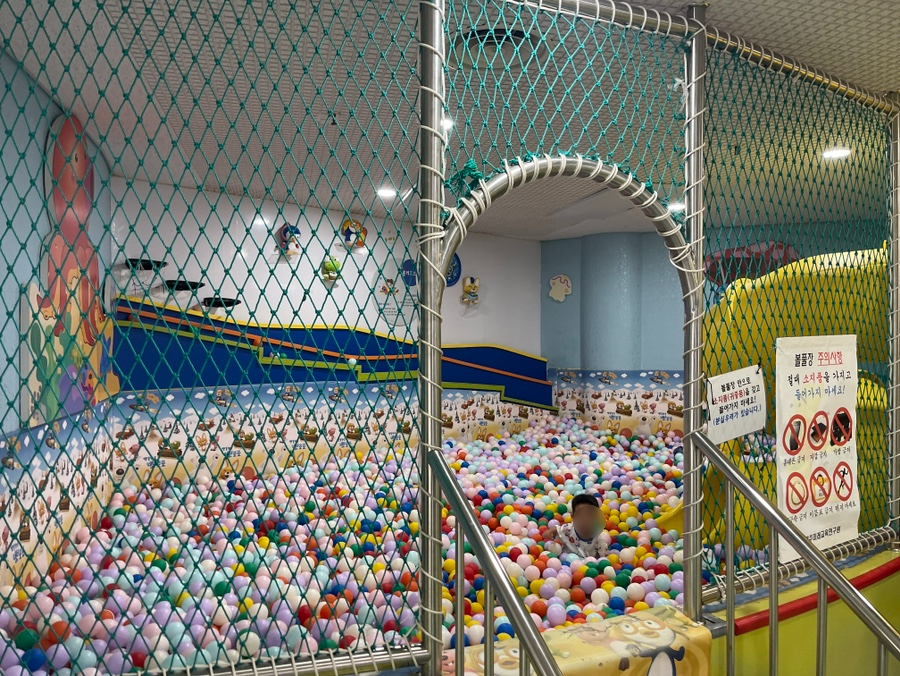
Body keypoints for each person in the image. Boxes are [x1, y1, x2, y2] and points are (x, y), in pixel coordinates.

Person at [543, 493, 607, 558]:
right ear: (573, 517)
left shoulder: (598, 541)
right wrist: (549, 533)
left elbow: (602, 560)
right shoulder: (567, 530)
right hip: (566, 560)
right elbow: (555, 530)